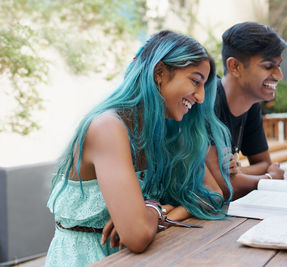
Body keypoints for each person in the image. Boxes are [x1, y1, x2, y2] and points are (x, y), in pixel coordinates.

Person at [45, 30, 232, 267]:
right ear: (160, 73)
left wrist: (161, 213)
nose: (202, 97)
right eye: (195, 81)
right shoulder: (108, 127)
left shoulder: (165, 131)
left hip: (143, 257)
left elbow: (214, 194)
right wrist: (154, 209)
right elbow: (136, 235)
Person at [206, 22, 287, 200]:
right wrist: (268, 179)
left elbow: (264, 163)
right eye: (268, 66)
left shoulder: (251, 105)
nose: (279, 75)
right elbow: (221, 187)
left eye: (279, 66)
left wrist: (239, 172)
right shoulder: (207, 98)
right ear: (235, 66)